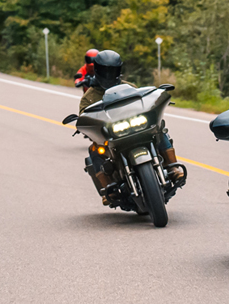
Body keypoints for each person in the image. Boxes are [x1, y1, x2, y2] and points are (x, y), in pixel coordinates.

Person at [79, 50, 185, 205]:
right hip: (111, 136)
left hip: (135, 128)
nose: (109, 74)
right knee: (94, 150)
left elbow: (143, 102)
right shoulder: (89, 96)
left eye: (112, 70)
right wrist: (85, 124)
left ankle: (173, 168)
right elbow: (83, 116)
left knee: (159, 129)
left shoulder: (128, 87)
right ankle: (108, 188)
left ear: (118, 70)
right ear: (97, 70)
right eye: (105, 70)